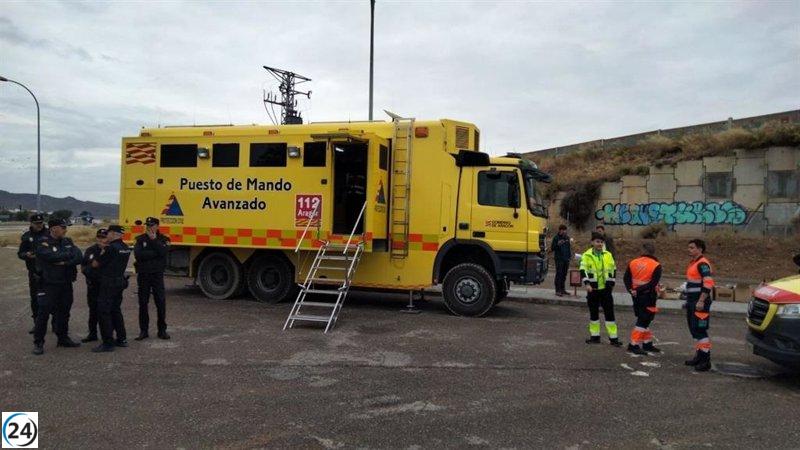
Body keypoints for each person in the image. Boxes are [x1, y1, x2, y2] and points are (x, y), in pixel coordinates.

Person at [31, 218, 83, 355]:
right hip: (49, 284)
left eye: (66, 228)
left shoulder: (67, 241)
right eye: (63, 227)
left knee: (64, 312)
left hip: (65, 283)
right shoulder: (42, 242)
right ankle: (38, 342)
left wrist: (64, 261)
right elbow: (50, 257)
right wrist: (67, 256)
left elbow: (79, 256)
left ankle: (63, 338)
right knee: (43, 313)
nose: (66, 230)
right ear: (53, 228)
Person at [91, 225, 132, 353]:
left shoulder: (110, 248)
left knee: (104, 312)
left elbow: (95, 264)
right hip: (119, 282)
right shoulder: (125, 247)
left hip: (108, 283)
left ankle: (108, 342)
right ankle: (122, 338)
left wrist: (101, 252)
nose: (107, 236)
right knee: (116, 310)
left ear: (113, 234)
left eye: (108, 233)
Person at [580, 232, 621, 346]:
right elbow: (583, 271)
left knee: (610, 314)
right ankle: (595, 337)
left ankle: (614, 339)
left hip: (606, 290)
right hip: (592, 290)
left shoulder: (608, 255)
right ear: (592, 242)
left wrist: (611, 284)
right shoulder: (586, 255)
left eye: (601, 242)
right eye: (597, 241)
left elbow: (613, 270)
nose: (600, 244)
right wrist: (587, 284)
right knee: (594, 314)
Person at [134, 217, 171, 340]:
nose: (149, 227)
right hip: (144, 275)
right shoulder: (140, 239)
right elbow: (138, 255)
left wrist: (154, 241)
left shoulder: (164, 239)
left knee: (160, 303)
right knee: (143, 303)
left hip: (157, 275)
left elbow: (164, 252)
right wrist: (155, 254)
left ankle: (162, 330)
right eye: (147, 225)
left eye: (152, 225)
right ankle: (143, 331)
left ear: (157, 226)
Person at [623, 242, 662, 355]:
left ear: (642, 251)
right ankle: (633, 344)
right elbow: (653, 283)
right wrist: (638, 290)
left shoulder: (633, 262)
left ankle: (647, 343)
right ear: (653, 252)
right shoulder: (656, 265)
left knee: (645, 319)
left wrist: (632, 290)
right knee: (643, 320)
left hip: (636, 296)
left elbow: (626, 278)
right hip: (648, 296)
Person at [684, 239, 715, 372]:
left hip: (699, 302)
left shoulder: (702, 264)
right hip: (693, 301)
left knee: (700, 330)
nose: (689, 250)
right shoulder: (694, 263)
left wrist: (701, 300)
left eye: (692, 248)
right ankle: (699, 356)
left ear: (700, 249)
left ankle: (705, 360)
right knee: (694, 329)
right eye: (689, 247)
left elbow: (708, 283)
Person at [17, 213, 49, 333]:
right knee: (35, 299)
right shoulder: (26, 236)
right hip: (34, 272)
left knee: (54, 298)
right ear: (31, 223)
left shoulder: (49, 234)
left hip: (49, 271)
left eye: (41, 223)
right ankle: (37, 323)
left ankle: (56, 324)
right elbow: (20, 253)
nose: (39, 225)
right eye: (36, 223)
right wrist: (27, 255)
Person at [80, 228, 108, 343]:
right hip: (93, 285)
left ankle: (107, 335)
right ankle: (92, 334)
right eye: (99, 237)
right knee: (93, 310)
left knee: (106, 311)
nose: (101, 240)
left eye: (104, 237)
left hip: (106, 285)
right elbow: (84, 267)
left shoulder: (110, 250)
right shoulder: (90, 250)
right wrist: (92, 267)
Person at [550, 225, 572, 296]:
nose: (564, 231)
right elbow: (552, 248)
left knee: (564, 275)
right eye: (563, 230)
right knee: (559, 274)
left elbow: (568, 248)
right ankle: (558, 290)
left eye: (565, 230)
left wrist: (569, 256)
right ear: (560, 230)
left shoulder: (567, 238)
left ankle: (563, 289)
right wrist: (558, 244)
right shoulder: (556, 238)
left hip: (566, 259)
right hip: (559, 259)